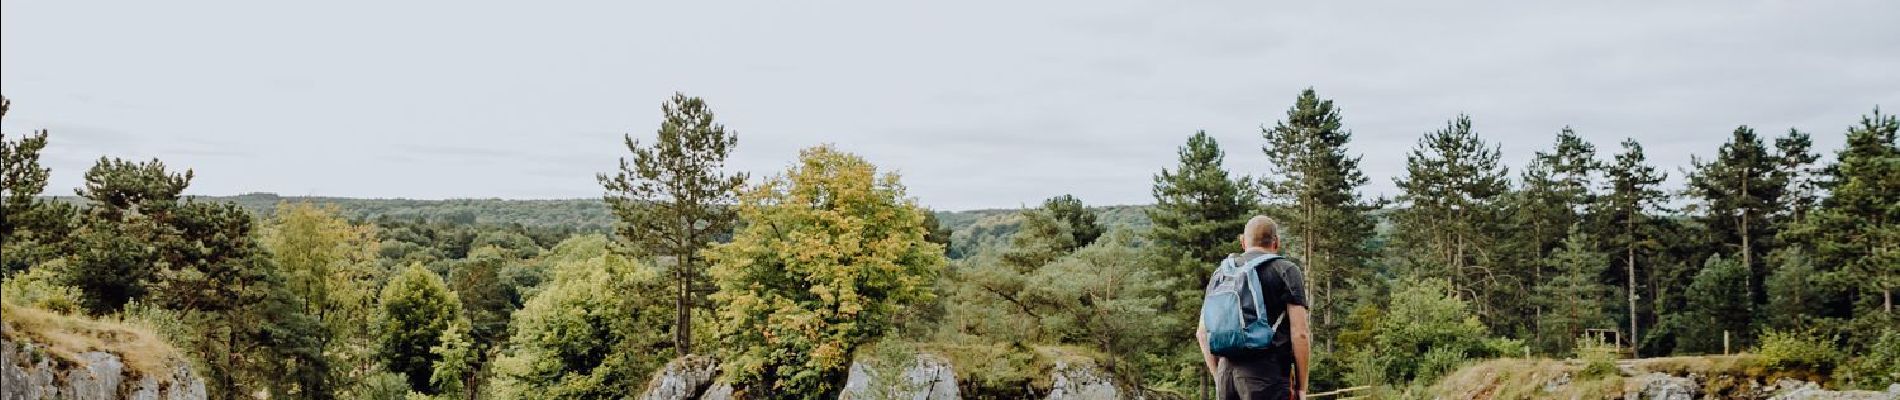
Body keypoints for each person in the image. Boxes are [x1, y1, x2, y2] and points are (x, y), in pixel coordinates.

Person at [1196, 216, 1312, 400]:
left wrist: (1219, 377)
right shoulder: (1286, 270)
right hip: (1268, 377)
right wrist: (1302, 388)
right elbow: (1301, 333)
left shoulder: (1222, 273)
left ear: (1242, 241)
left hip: (1227, 376)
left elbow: (1202, 334)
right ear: (1276, 243)